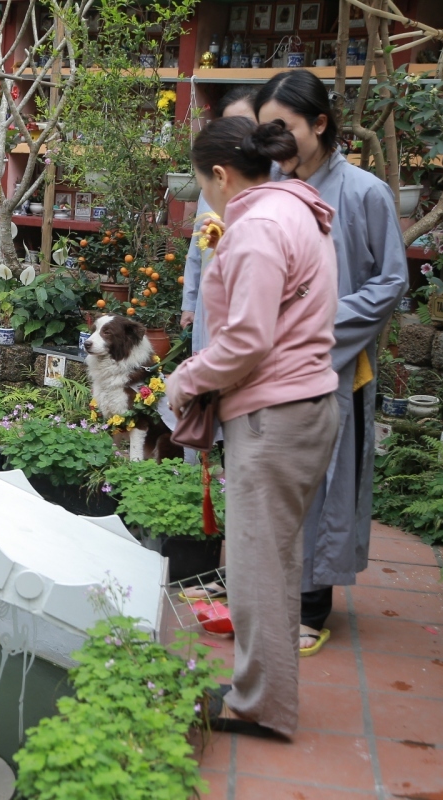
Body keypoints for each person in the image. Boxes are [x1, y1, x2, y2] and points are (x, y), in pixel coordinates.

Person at [167, 116, 340, 739]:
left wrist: (185, 380)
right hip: (301, 406)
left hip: (275, 416)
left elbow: (245, 338)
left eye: (201, 182)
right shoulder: (297, 208)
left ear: (220, 174)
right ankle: (263, 693)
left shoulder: (260, 224)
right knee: (271, 562)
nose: (204, 196)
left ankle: (260, 706)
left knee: (255, 569)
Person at [256, 70, 409, 656]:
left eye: (285, 127)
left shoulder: (365, 192)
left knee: (324, 482)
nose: (275, 139)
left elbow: (390, 282)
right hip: (270, 365)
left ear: (319, 124)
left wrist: (314, 323)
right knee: (274, 478)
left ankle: (312, 605)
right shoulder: (269, 187)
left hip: (334, 367)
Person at [180, 85, 259, 349]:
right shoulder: (213, 186)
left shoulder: (272, 207)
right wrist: (190, 303)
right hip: (210, 303)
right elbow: (196, 250)